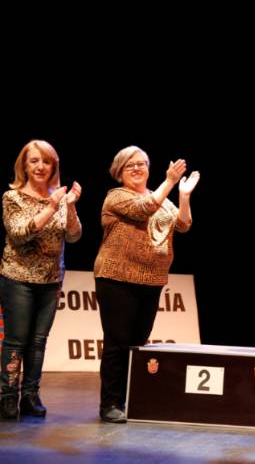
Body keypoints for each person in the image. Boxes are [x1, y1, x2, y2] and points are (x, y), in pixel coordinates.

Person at [94, 146, 199, 423]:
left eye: (142, 163)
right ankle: (110, 403)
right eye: (130, 165)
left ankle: (128, 400)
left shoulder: (160, 197)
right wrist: (170, 181)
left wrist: (184, 197)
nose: (137, 168)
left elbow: (183, 225)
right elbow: (144, 209)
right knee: (117, 342)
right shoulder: (116, 196)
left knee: (137, 343)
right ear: (119, 172)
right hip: (117, 277)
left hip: (152, 279)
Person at [0, 140, 82, 419]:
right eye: (34, 161)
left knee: (38, 341)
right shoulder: (12, 197)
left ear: (53, 166)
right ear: (24, 165)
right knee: (16, 341)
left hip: (51, 281)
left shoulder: (59, 197)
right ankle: (8, 397)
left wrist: (70, 206)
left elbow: (74, 236)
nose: (40, 166)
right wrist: (52, 206)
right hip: (18, 278)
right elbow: (20, 233)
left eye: (46, 161)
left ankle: (30, 396)